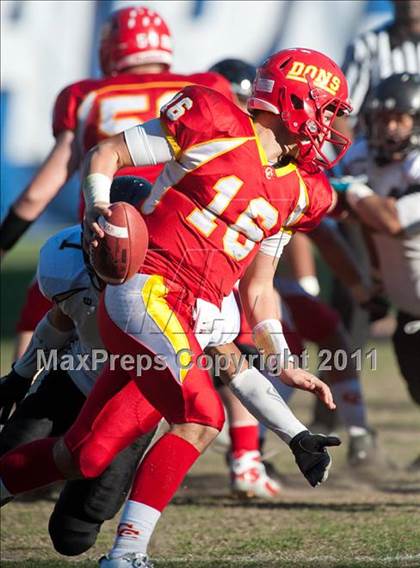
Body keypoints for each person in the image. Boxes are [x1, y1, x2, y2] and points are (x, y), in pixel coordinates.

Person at [0, 48, 352, 568]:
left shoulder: (302, 189)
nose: (331, 125)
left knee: (85, 454)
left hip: (195, 313)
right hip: (148, 287)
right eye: (327, 110)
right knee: (202, 415)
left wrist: (282, 361)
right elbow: (106, 154)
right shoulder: (215, 119)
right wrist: (99, 208)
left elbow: (259, 290)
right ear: (293, 99)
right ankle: (128, 552)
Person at [0, 4, 234, 358]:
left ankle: (19, 393)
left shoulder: (87, 96)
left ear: (110, 50)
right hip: (191, 239)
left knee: (43, 298)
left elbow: (36, 194)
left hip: (109, 239)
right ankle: (246, 410)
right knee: (228, 331)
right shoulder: (204, 89)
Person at [0, 177, 159, 556]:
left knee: (74, 534)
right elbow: (62, 319)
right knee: (7, 457)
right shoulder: (64, 260)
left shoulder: (173, 273)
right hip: (76, 374)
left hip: (128, 402)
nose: (109, 244)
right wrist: (21, 376)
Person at [343, 72, 420, 468]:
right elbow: (367, 225)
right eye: (383, 118)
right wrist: (374, 279)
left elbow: (391, 220)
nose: (389, 128)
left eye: (400, 119)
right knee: (416, 384)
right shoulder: (361, 159)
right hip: (409, 300)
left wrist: (351, 190)